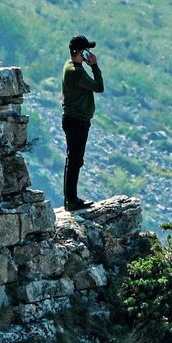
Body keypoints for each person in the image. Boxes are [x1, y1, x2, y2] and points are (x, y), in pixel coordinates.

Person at [60, 34, 104, 212]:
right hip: (77, 121)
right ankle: (71, 200)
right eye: (86, 50)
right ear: (79, 52)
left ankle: (69, 198)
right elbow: (99, 87)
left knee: (73, 160)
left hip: (73, 119)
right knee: (75, 160)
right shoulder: (76, 72)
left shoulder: (70, 65)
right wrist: (95, 66)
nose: (89, 53)